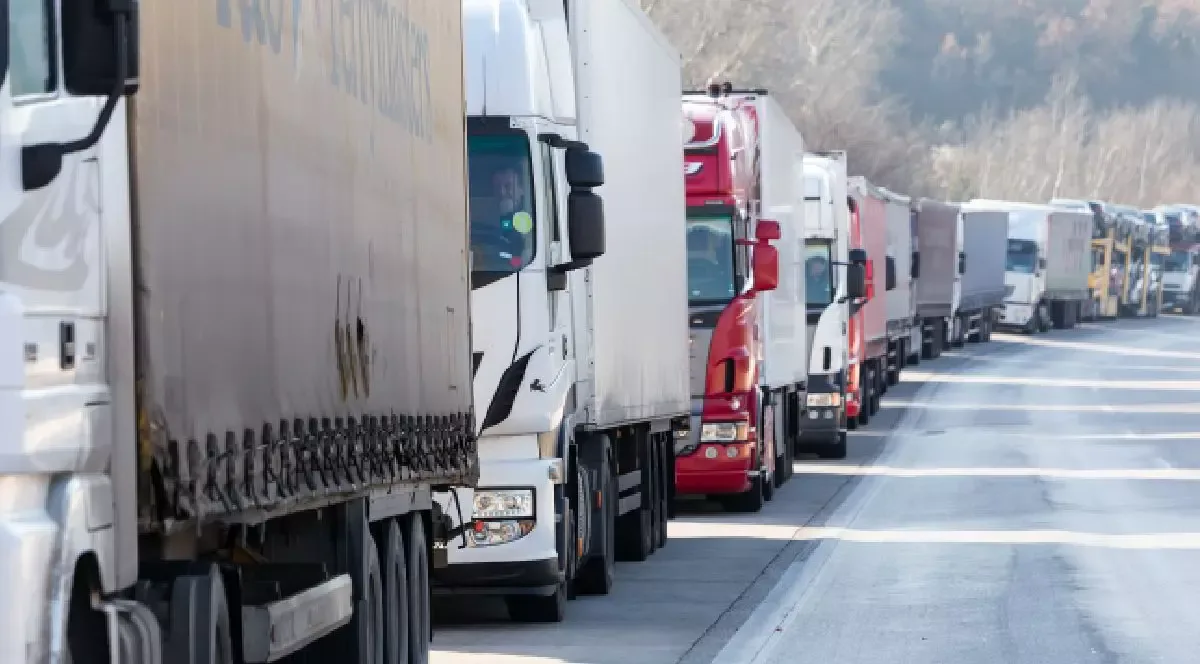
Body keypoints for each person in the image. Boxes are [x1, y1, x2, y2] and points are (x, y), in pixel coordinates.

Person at [471, 166, 535, 269]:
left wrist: (507, 215)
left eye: (508, 186)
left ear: (521, 189)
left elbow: (517, 254)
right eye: (497, 187)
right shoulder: (483, 219)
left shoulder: (533, 217)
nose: (502, 192)